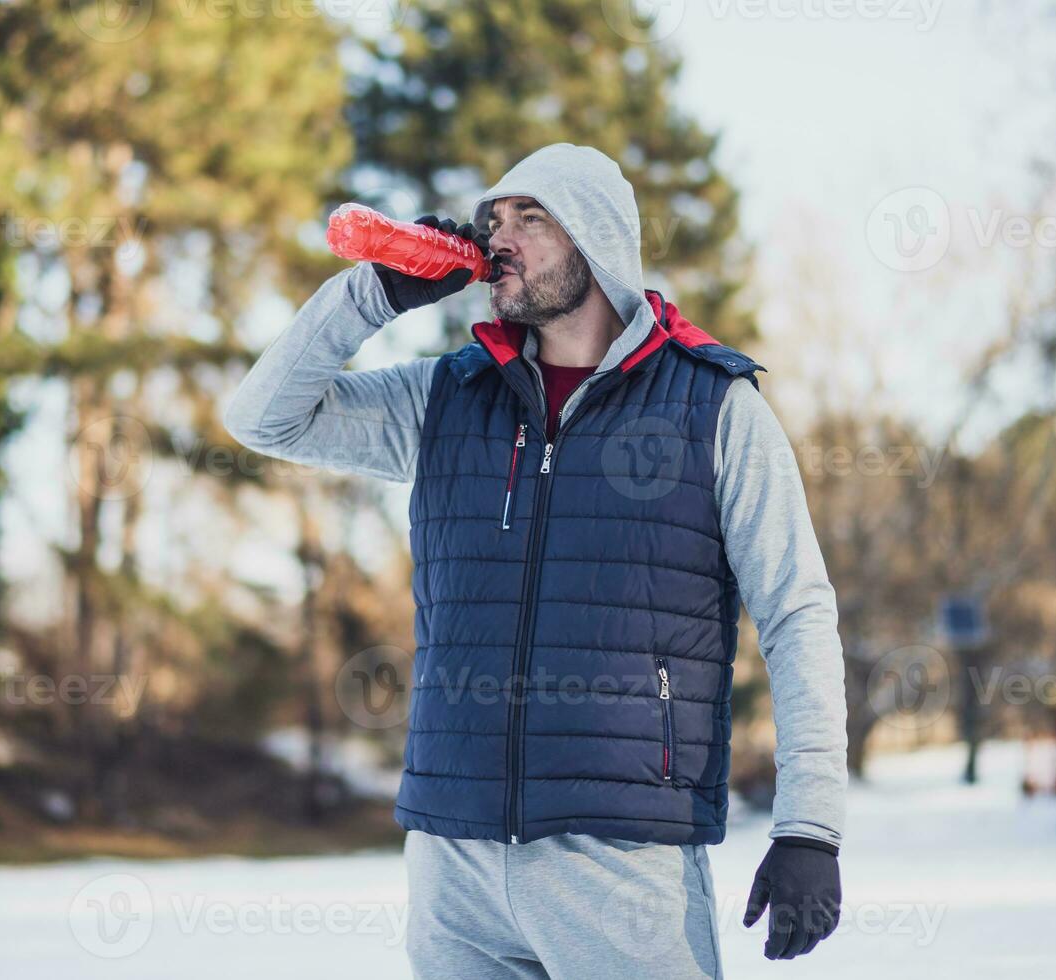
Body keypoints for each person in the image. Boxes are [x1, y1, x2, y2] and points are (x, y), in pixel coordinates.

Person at [224, 143, 847, 978]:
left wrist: (811, 825)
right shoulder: (447, 397)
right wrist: (368, 297)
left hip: (619, 857)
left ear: (595, 240)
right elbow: (263, 420)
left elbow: (797, 611)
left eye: (531, 217)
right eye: (495, 220)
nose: (500, 239)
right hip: (456, 860)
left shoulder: (713, 407)